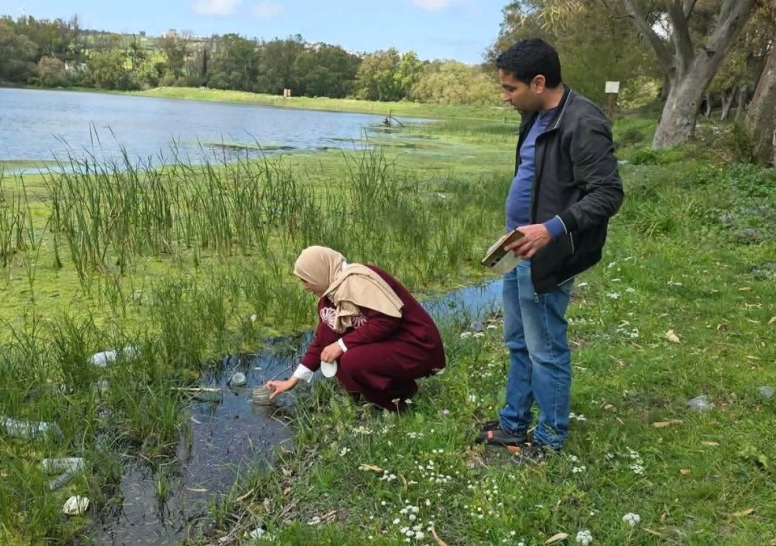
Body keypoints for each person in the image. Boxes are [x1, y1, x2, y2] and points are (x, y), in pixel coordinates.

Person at [475, 38, 623, 462]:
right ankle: (513, 423)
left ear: (539, 82)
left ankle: (551, 439)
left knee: (546, 348)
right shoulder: (535, 114)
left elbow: (608, 194)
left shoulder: (583, 121)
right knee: (519, 341)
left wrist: (550, 229)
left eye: (510, 89)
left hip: (549, 253)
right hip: (518, 249)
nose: (505, 97)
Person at [266, 246, 445, 412]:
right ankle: (376, 392)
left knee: (352, 360)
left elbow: (386, 321)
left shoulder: (360, 282)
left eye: (305, 280)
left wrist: (342, 345)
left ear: (318, 272)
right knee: (333, 342)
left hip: (416, 345)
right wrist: (292, 381)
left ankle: (401, 405)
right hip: (393, 345)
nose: (304, 287)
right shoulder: (332, 296)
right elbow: (322, 340)